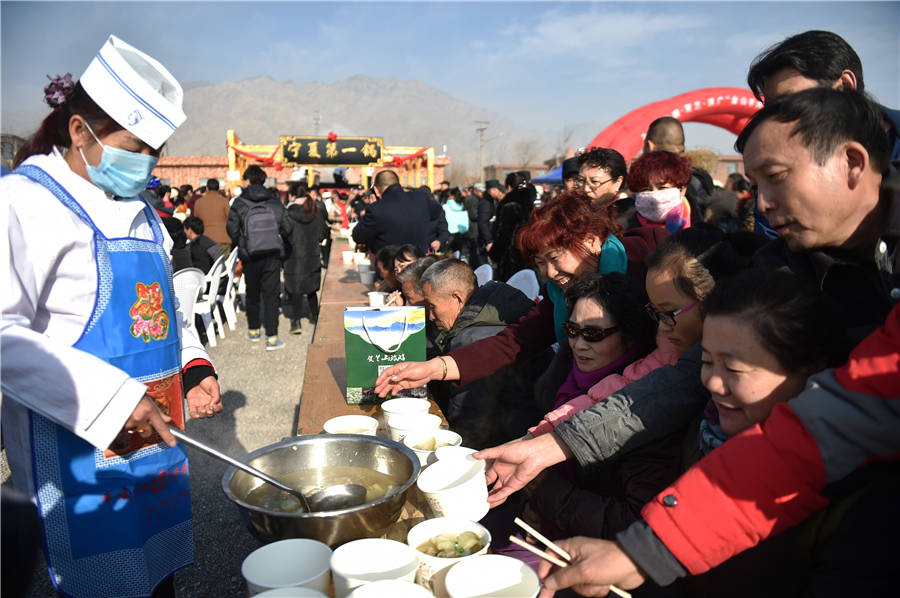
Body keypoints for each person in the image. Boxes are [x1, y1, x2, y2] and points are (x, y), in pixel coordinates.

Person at [489, 88, 899, 595]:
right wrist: (641, 550)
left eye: (774, 179)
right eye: (754, 185)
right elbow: (815, 434)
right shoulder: (792, 271)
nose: (764, 205)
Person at [1, 35, 223, 598]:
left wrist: (195, 366)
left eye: (157, 148)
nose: (148, 162)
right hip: (79, 447)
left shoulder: (145, 213)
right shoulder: (23, 203)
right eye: (137, 145)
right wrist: (115, 400)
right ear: (80, 130)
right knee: (103, 581)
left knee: (158, 574)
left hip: (155, 440)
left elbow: (165, 310)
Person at [375, 192, 667, 399]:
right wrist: (434, 368)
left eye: (554, 258)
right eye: (540, 264)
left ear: (590, 241)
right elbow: (513, 341)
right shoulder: (562, 292)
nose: (550, 273)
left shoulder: (649, 266)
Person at [420, 258, 551, 448]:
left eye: (432, 306)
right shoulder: (490, 304)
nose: (431, 316)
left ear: (457, 299)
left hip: (511, 440)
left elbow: (467, 419)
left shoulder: (470, 339)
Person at [226, 164, 293, 350]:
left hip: (249, 255)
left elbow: (231, 229)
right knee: (271, 295)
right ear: (264, 180)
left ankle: (254, 330)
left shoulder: (240, 203)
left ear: (247, 181)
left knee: (253, 292)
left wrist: (243, 241)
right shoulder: (275, 202)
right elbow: (288, 228)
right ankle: (271, 337)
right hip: (272, 255)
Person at [352, 170, 446, 254]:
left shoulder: (376, 209)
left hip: (390, 266)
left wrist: (373, 206)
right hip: (419, 264)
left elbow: (358, 236)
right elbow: (437, 213)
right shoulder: (421, 198)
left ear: (376, 190)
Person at [284, 181, 327, 334]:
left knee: (295, 289)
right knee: (311, 289)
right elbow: (323, 234)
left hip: (293, 256)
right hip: (312, 254)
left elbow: (284, 233)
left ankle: (296, 322)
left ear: (292, 195)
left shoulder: (288, 212)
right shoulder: (316, 210)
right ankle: (315, 315)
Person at [626, 151, 694, 232]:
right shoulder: (622, 231)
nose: (654, 196)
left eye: (662, 188)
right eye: (646, 189)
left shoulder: (703, 226)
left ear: (682, 190)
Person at [488, 171, 537, 281]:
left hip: (511, 257)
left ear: (509, 187)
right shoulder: (530, 202)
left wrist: (494, 254)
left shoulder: (510, 205)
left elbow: (505, 233)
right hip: (528, 252)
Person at [192, 178, 231, 256]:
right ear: (218, 188)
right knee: (223, 266)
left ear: (207, 188)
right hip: (223, 239)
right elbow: (230, 220)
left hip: (205, 240)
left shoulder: (199, 202)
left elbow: (196, 222)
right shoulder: (225, 201)